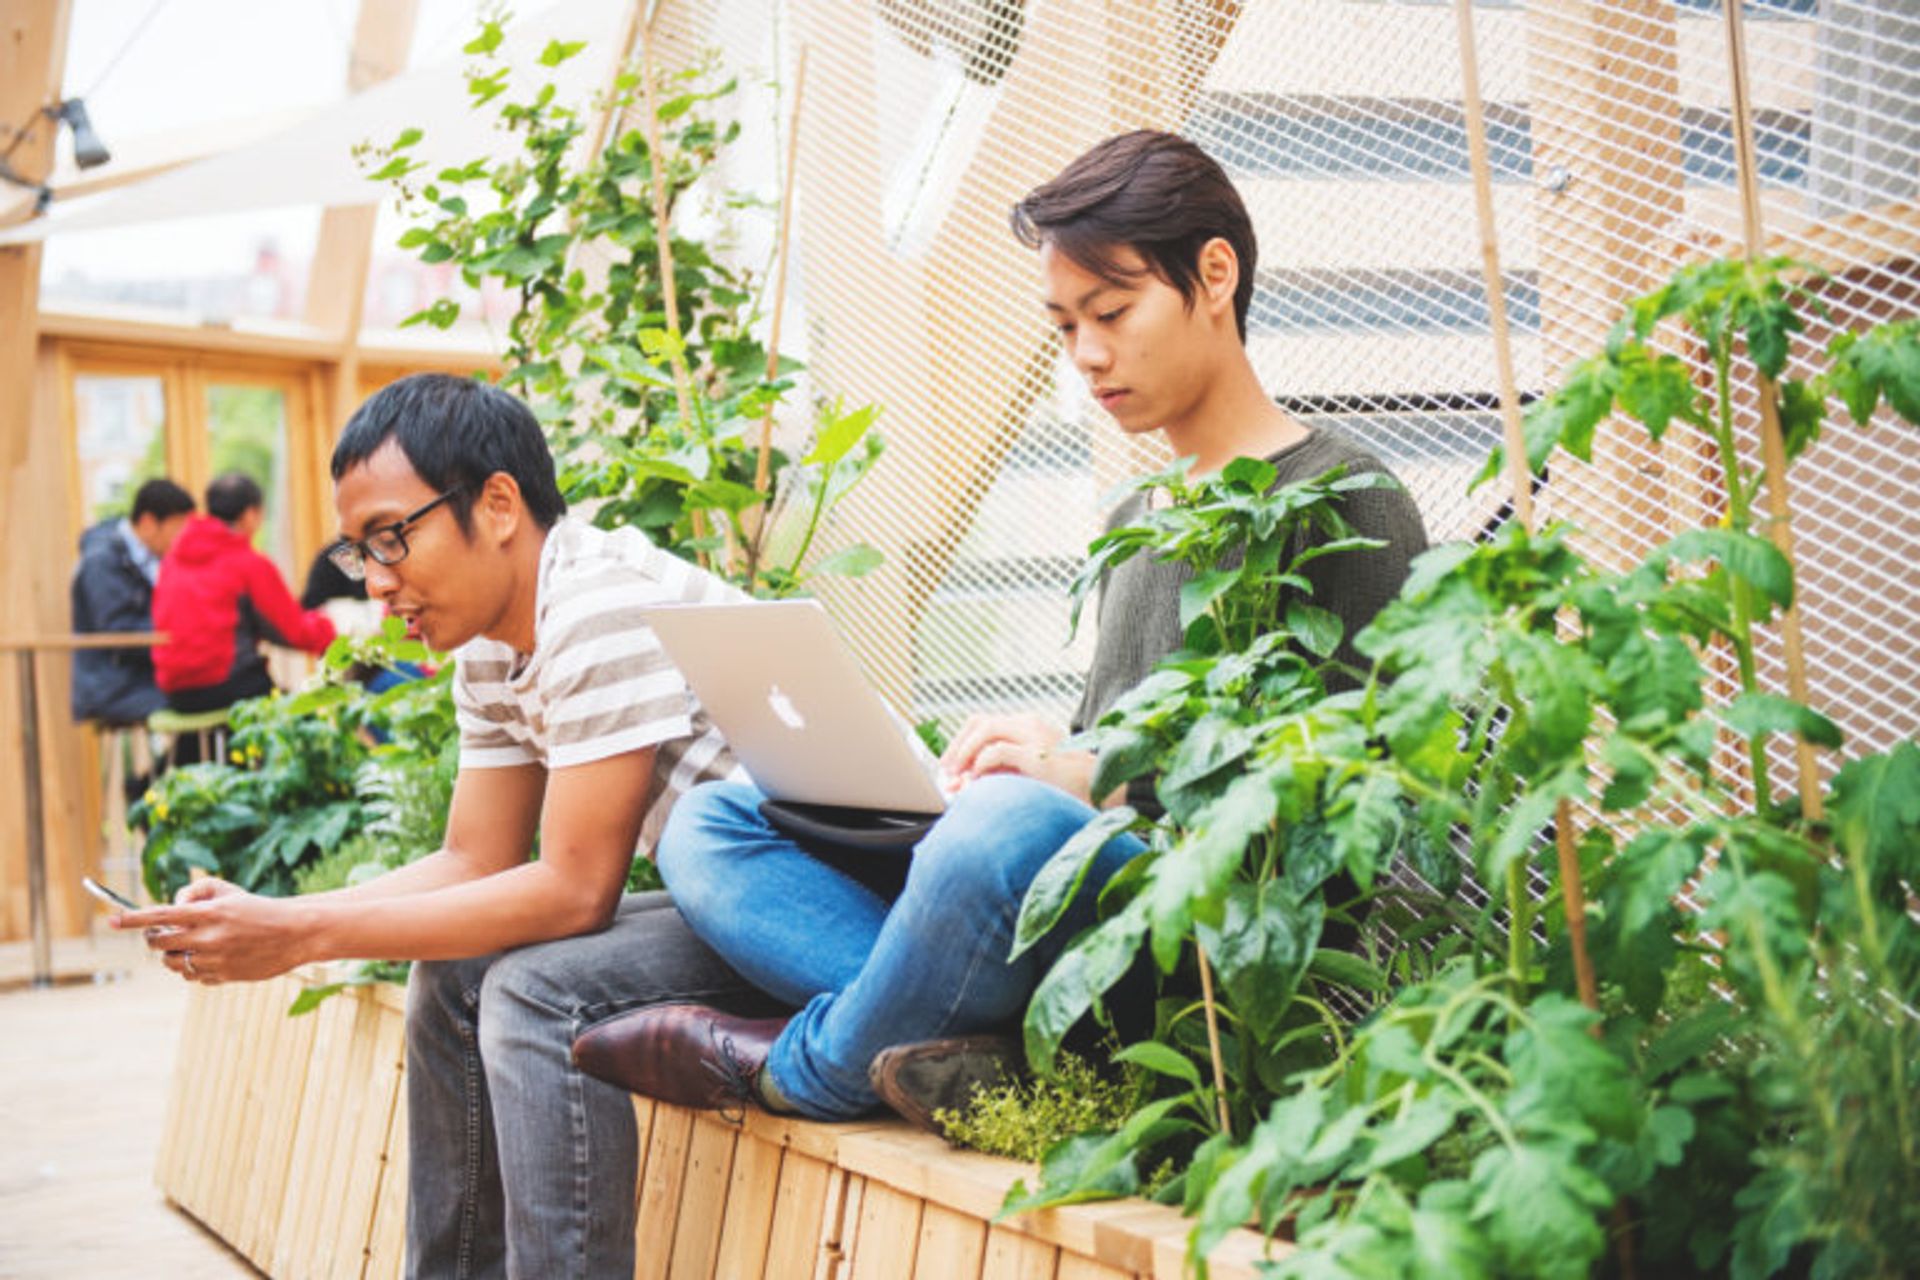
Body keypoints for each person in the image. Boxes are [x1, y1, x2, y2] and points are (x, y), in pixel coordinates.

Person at [574, 130, 1431, 1127]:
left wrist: (1074, 777)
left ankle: (813, 1065)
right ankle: (984, 1047)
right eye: (1066, 325)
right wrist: (1046, 754)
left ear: (1214, 274)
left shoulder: (1342, 499)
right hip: (1082, 900)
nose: (1087, 356)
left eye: (1110, 312)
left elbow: (1332, 808)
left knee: (1001, 828)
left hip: (1203, 944)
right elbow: (1112, 757)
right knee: (712, 820)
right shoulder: (1136, 520)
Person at [113, 373, 774, 1278]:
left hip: (816, 911)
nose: (379, 583)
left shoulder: (596, 606)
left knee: (540, 992)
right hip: (726, 904)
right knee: (456, 973)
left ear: (498, 504)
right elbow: (476, 860)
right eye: (359, 553)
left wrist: (300, 935)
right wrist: (274, 912)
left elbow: (575, 894)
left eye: (393, 537)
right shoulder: (498, 646)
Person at [151, 472, 337, 713]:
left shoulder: (172, 562)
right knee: (306, 724)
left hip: (176, 694)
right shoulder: (249, 564)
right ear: (250, 515)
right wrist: (333, 629)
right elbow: (293, 631)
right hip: (228, 686)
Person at [69, 477, 196, 726]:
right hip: (114, 687)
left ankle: (166, 767)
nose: (183, 540)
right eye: (178, 529)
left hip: (142, 678)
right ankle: (168, 767)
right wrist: (181, 635)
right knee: (203, 699)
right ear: (149, 523)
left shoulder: (148, 558)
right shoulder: (102, 560)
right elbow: (119, 632)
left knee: (215, 691)